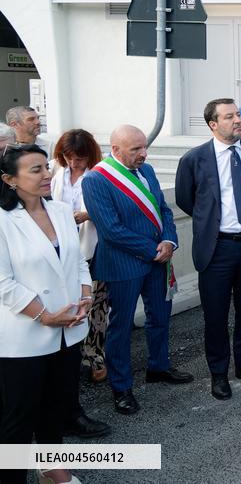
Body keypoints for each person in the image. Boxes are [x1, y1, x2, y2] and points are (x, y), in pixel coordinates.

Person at [82, 125, 192, 415]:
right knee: (121, 327)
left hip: (158, 258)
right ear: (116, 150)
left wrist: (169, 240)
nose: (143, 154)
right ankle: (121, 386)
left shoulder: (149, 171)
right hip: (123, 264)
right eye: (136, 149)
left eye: (145, 147)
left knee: (160, 316)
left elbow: (164, 210)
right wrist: (152, 251)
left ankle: (159, 366)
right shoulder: (96, 180)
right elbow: (111, 230)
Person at [0, 145, 91, 484]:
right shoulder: (3, 221)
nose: (46, 175)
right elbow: (3, 283)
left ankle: (52, 468)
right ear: (10, 180)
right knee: (19, 416)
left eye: (46, 167)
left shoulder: (62, 210)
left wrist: (85, 295)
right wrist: (45, 315)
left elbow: (78, 261)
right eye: (35, 170)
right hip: (24, 335)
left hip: (69, 329)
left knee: (56, 406)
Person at [175, 99, 241, 401]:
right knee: (216, 316)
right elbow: (185, 200)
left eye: (239, 116)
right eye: (229, 117)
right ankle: (218, 373)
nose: (238, 121)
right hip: (216, 250)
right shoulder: (194, 159)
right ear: (213, 124)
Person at [50, 130, 111, 440]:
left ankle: (95, 357)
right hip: (60, 251)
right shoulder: (54, 171)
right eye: (70, 156)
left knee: (97, 305)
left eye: (80, 157)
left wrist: (84, 214)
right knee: (71, 307)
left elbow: (104, 210)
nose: (74, 161)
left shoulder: (99, 174)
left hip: (91, 246)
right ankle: (74, 359)